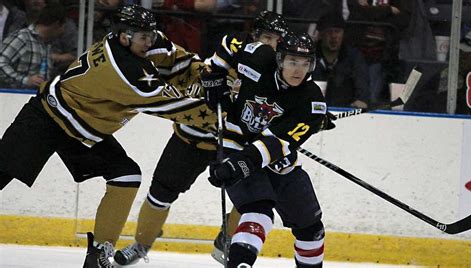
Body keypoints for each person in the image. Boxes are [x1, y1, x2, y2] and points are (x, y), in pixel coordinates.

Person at [0, 5, 215, 268]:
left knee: (126, 175)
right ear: (124, 37)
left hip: (81, 129)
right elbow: (168, 105)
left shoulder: (140, 41)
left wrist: (205, 74)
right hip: (45, 119)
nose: (150, 41)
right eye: (143, 37)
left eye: (151, 34)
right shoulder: (122, 69)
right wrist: (219, 113)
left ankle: (99, 255)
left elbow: (177, 60)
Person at [112, 10, 289, 266]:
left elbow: (283, 105)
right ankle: (141, 245)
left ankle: (226, 241)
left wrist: (308, 117)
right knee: (160, 194)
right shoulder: (234, 51)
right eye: (266, 37)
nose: (270, 45)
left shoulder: (276, 72)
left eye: (275, 40)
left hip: (234, 145)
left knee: (253, 197)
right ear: (254, 36)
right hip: (192, 139)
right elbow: (207, 76)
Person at [204, 31, 334, 268]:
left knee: (311, 229)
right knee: (258, 211)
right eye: (293, 62)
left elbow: (276, 144)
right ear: (280, 59)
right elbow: (228, 42)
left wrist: (239, 165)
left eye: (305, 64)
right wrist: (214, 75)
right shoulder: (259, 56)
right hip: (235, 144)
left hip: (277, 161)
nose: (298, 70)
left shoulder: (312, 100)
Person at [0, 2, 66, 89]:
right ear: (57, 24)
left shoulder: (47, 45)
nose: (64, 30)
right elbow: (1, 62)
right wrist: (25, 80)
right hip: (13, 96)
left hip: (34, 98)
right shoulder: (22, 38)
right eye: (64, 26)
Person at [312, 13, 370, 108]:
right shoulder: (310, 56)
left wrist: (361, 99)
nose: (334, 36)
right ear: (321, 35)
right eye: (329, 32)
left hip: (346, 111)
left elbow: (362, 83)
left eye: (337, 31)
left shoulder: (353, 56)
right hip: (313, 111)